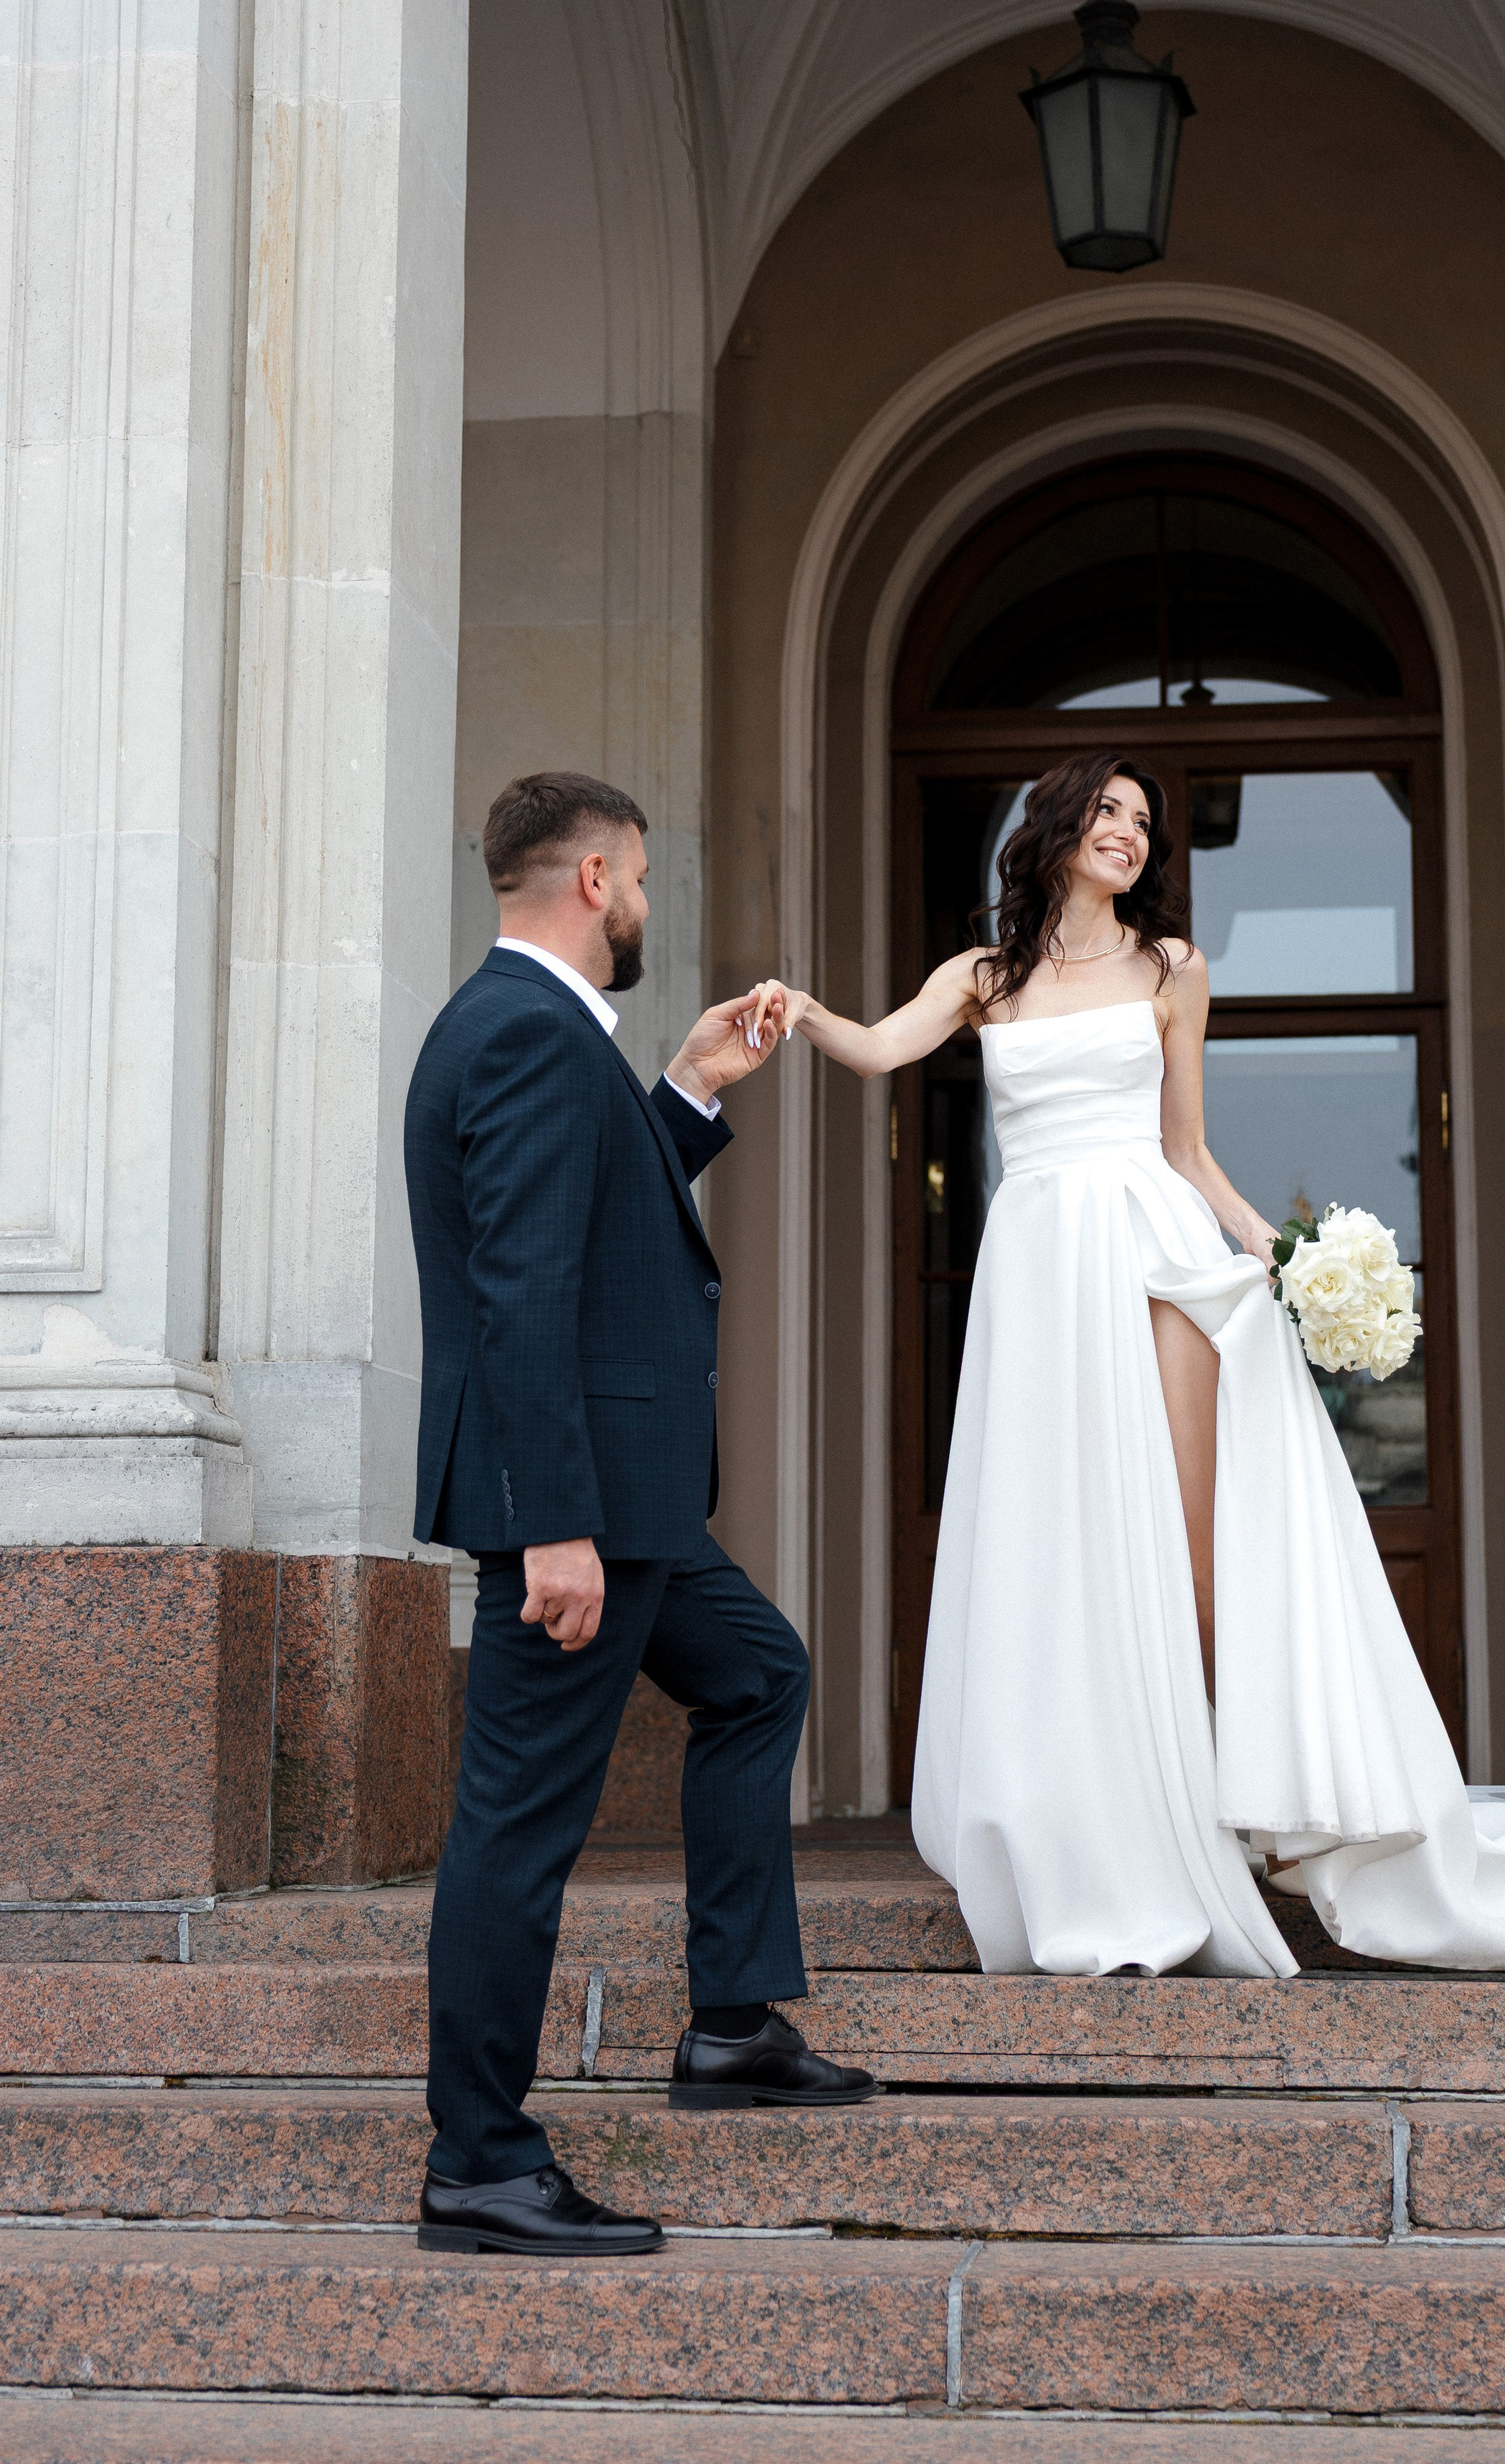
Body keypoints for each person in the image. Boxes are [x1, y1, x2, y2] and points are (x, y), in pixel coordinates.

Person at [768, 750, 1505, 1981]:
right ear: (1059, 825)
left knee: (1190, 1560)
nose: (1132, 835)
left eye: (1146, 823)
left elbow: (1186, 1146)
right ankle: (1096, 1823)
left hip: (1156, 1258)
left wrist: (1278, 1250)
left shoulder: (1173, 968)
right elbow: (876, 1049)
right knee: (1064, 1549)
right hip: (1035, 1275)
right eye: (1111, 812)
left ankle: (1225, 1812)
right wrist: (795, 1012)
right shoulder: (984, 978)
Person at [407, 770, 874, 2261]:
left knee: (760, 1676)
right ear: (597, 877)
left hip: (636, 1503)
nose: (648, 908)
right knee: (516, 1832)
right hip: (584, 1514)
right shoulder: (531, 1038)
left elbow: (594, 1230)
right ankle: (480, 2163)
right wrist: (551, 1529)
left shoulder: (539, 1035)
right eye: (647, 881)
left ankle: (731, 2024)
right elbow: (524, 1292)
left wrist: (685, 1091)